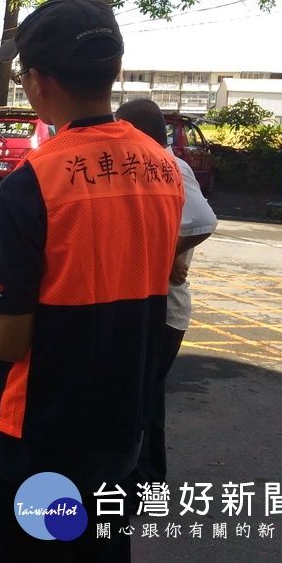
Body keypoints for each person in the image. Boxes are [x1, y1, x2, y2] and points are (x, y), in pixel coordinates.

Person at [0, 0, 184, 562]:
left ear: (38, 82)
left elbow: (9, 340)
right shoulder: (162, 168)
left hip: (33, 443)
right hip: (118, 434)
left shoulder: (32, 182)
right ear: (113, 71)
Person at [115, 98, 218, 483]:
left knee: (139, 396)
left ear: (134, 131)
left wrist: (161, 257)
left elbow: (204, 221)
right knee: (147, 396)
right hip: (155, 304)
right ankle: (147, 477)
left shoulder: (165, 164)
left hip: (163, 307)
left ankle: (138, 481)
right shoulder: (146, 165)